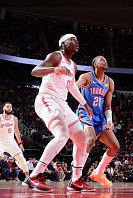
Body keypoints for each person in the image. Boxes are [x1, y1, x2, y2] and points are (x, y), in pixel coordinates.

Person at [25, 34, 95, 192]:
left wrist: (85, 104)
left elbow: (72, 87)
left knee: (82, 139)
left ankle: (76, 179)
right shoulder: (56, 56)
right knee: (62, 135)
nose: (76, 42)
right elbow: (35, 71)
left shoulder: (73, 65)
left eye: (77, 40)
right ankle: (34, 176)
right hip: (47, 98)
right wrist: (55, 69)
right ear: (63, 43)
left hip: (62, 103)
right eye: (73, 40)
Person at [75, 55, 120, 187]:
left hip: (100, 117)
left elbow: (107, 105)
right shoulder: (87, 77)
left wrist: (110, 120)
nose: (105, 60)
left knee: (115, 146)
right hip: (85, 112)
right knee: (90, 140)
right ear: (95, 64)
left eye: (106, 59)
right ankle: (77, 177)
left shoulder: (109, 81)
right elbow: (74, 87)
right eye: (101, 59)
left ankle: (98, 173)